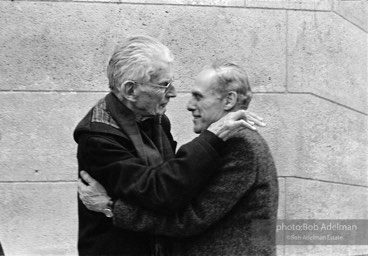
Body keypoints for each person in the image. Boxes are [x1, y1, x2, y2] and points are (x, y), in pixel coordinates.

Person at [73, 36, 264, 255]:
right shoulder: (98, 137)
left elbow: (178, 193)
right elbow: (160, 192)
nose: (173, 93)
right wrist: (210, 138)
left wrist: (109, 206)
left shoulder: (157, 120)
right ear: (130, 90)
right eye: (164, 85)